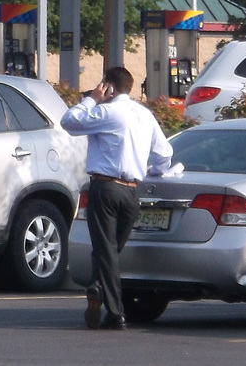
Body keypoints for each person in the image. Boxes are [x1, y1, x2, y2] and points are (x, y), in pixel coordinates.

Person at [61, 66, 173, 330]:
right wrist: (154, 172)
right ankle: (100, 289)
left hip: (106, 188)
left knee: (106, 252)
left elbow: (69, 121)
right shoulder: (145, 115)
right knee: (110, 251)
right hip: (131, 192)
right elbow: (164, 154)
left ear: (108, 86)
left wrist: (91, 99)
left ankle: (114, 312)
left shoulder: (108, 111)